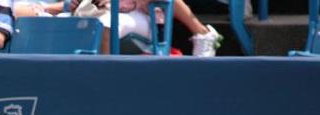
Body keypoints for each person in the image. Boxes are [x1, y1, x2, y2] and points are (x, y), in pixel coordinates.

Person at [68, 0, 223, 56]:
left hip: (138, 16)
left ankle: (104, 74)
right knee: (58, 23)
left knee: (105, 25)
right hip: (93, 13)